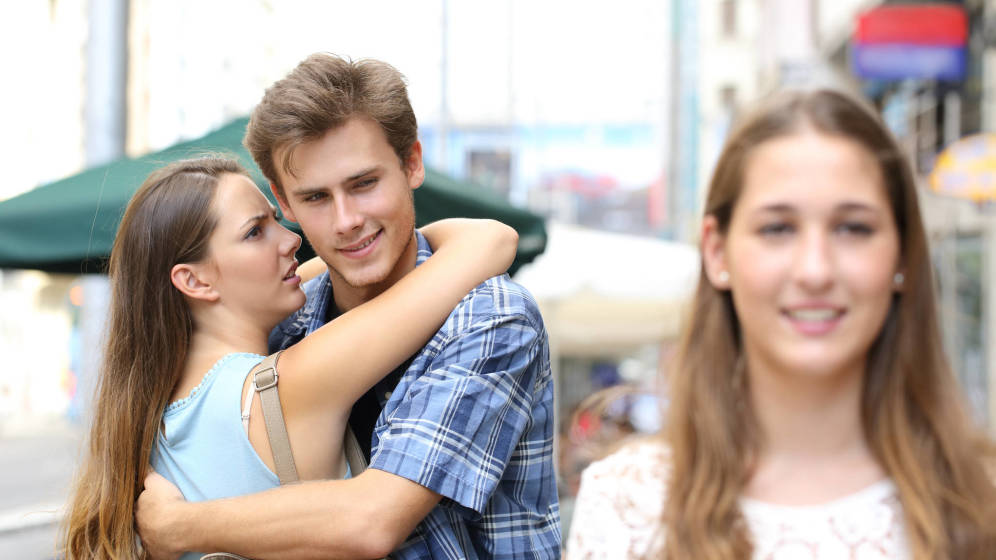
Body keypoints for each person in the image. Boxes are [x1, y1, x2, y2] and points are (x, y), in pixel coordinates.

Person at [135, 54, 561, 559]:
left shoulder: (490, 317)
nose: (346, 221)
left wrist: (180, 526)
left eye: (364, 184)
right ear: (284, 202)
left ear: (412, 163)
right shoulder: (286, 318)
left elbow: (374, 520)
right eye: (316, 198)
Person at [567, 89, 996, 559]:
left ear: (901, 253)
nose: (815, 270)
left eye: (853, 228)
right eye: (778, 228)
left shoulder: (982, 499)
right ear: (717, 252)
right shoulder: (629, 505)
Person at [60, 156, 517, 559]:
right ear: (195, 282)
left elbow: (320, 271)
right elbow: (490, 241)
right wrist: (399, 238)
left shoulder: (149, 420)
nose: (291, 239)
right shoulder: (292, 382)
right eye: (255, 232)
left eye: (276, 220)